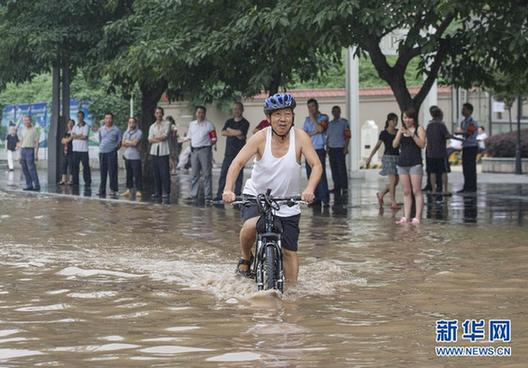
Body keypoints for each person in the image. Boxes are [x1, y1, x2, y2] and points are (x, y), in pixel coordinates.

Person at [222, 92, 322, 283]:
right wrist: (228, 189)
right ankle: (246, 257)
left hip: (287, 201)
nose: (282, 119)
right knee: (250, 226)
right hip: (257, 196)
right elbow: (237, 163)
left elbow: (316, 165)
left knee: (289, 251)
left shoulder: (300, 137)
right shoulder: (260, 138)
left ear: (293, 116)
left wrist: (309, 189)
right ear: (268, 118)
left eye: (287, 114)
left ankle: (291, 296)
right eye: (277, 114)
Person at [392, 107, 426, 224]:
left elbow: (422, 144)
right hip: (402, 163)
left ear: (413, 118)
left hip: (415, 163)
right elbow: (394, 145)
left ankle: (417, 217)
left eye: (409, 117)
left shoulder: (419, 129)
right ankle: (406, 216)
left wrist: (412, 135)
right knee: (406, 191)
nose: (407, 120)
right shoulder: (401, 130)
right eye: (405, 117)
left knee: (416, 190)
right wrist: (399, 134)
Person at [366, 113, 401, 209]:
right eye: (393, 120)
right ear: (389, 121)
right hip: (388, 158)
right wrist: (370, 157)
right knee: (393, 180)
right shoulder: (384, 133)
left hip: (397, 157)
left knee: (396, 181)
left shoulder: (398, 132)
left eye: (396, 120)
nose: (395, 122)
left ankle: (381, 194)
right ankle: (393, 202)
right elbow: (378, 146)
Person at [216, 102, 250, 199]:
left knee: (239, 174)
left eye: (238, 109)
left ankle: (237, 194)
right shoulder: (229, 121)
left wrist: (230, 130)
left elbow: (241, 132)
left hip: (240, 152)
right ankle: (220, 195)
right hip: (229, 152)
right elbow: (223, 132)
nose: (236, 111)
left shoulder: (245, 122)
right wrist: (237, 134)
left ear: (242, 110)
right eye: (235, 109)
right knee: (224, 173)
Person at [303, 98, 330, 206]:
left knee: (320, 174)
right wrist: (313, 131)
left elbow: (320, 129)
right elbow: (305, 135)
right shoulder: (306, 120)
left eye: (312, 106)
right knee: (310, 174)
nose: (311, 109)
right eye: (309, 107)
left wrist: (312, 118)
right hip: (309, 149)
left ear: (317, 106)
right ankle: (315, 198)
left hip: (319, 149)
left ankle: (325, 198)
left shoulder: (324, 117)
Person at [187, 105, 216, 201]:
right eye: (198, 112)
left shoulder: (209, 125)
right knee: (194, 174)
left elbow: (214, 139)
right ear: (196, 113)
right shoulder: (192, 124)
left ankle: (207, 196)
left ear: (205, 114)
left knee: (206, 174)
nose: (200, 114)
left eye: (202, 112)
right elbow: (190, 138)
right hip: (194, 151)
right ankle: (193, 195)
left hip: (205, 151)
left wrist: (207, 146)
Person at [326, 105, 350, 203]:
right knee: (334, 169)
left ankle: (344, 187)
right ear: (332, 113)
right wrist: (327, 146)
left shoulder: (344, 123)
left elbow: (348, 136)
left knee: (342, 169)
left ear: (340, 112)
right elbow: (327, 136)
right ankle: (336, 187)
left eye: (337, 111)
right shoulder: (329, 124)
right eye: (334, 111)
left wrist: (346, 147)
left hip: (340, 148)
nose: (335, 113)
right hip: (331, 148)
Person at [425, 107, 451, 196]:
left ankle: (433, 190)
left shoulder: (429, 125)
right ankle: (445, 190)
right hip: (441, 153)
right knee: (444, 171)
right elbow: (447, 136)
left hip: (431, 153)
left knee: (432, 172)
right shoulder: (441, 125)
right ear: (440, 115)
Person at [148, 106, 171, 200]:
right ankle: (158, 191)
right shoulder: (152, 126)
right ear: (154, 114)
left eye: (160, 113)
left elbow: (165, 136)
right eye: (157, 113)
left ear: (162, 114)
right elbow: (149, 139)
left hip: (163, 151)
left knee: (164, 172)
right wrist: (158, 138)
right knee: (156, 172)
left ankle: (166, 191)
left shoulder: (167, 123)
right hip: (154, 151)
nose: (158, 115)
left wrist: (155, 138)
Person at [97, 112, 121, 197]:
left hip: (112, 153)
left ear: (112, 119)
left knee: (112, 172)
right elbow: (100, 140)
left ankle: (113, 190)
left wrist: (113, 150)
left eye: (110, 118)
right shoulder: (101, 129)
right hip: (102, 153)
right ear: (104, 119)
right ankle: (102, 190)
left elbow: (119, 142)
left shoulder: (116, 130)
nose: (108, 120)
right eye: (106, 118)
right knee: (103, 172)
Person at [456, 103, 479, 193]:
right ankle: (466, 186)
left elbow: (469, 133)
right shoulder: (463, 122)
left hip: (472, 146)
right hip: (466, 146)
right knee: (465, 167)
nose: (462, 111)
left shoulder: (472, 121)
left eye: (464, 109)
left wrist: (459, 133)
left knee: (470, 168)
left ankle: (471, 187)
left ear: (470, 111)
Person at [17, 115, 40, 191]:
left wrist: (36, 154)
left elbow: (36, 142)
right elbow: (21, 142)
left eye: (27, 120)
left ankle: (37, 185)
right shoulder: (22, 130)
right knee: (25, 169)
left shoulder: (34, 130)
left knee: (31, 168)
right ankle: (29, 185)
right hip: (23, 150)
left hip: (30, 150)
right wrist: (20, 154)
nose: (26, 122)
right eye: (25, 120)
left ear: (30, 121)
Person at [121, 117, 143, 198]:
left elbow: (135, 144)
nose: (131, 124)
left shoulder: (139, 132)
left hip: (136, 156)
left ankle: (138, 190)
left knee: (137, 174)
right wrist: (130, 142)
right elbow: (123, 143)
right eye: (129, 122)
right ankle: (128, 189)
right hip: (127, 156)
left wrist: (128, 142)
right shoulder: (126, 132)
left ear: (135, 123)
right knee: (128, 174)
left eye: (133, 122)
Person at [71, 111, 92, 186]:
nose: (79, 118)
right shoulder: (75, 126)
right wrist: (79, 135)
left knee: (85, 166)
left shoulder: (86, 126)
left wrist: (77, 136)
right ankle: (75, 182)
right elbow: (72, 136)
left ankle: (87, 181)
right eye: (78, 116)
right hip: (75, 150)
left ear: (83, 117)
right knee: (75, 166)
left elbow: (85, 137)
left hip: (84, 150)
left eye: (80, 116)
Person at [59, 119, 75, 185]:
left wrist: (67, 140)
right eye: (69, 123)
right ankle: (63, 180)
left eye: (71, 123)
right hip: (65, 152)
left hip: (71, 152)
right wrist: (67, 139)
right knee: (64, 166)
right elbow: (62, 141)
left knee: (71, 166)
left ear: (73, 125)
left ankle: (71, 180)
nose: (70, 125)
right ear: (67, 125)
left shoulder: (74, 132)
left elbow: (69, 140)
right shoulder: (66, 132)